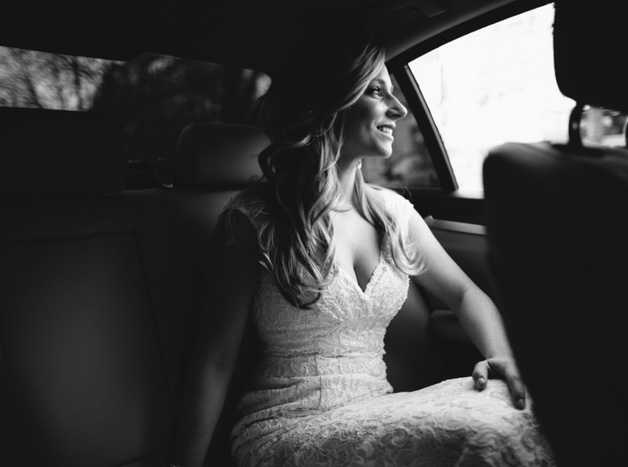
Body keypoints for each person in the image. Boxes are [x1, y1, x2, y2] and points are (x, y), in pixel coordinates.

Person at [171, 31, 555, 467]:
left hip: (376, 410)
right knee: (485, 439)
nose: (399, 108)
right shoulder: (254, 220)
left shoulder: (393, 214)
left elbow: (466, 295)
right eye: (376, 91)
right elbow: (215, 361)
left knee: (533, 408)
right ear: (329, 102)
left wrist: (500, 355)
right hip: (286, 430)